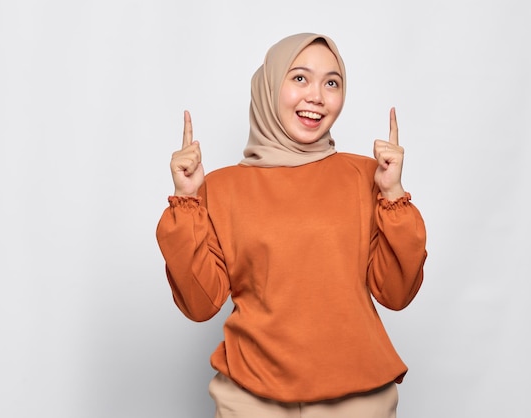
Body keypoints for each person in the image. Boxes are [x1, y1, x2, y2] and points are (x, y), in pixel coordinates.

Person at [156, 32, 427, 417]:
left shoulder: (368, 177)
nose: (317, 95)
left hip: (358, 399)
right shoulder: (219, 187)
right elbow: (200, 305)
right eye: (299, 78)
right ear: (268, 87)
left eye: (331, 83)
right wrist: (186, 201)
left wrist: (393, 194)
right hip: (250, 399)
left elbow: (397, 293)